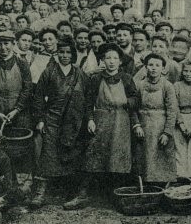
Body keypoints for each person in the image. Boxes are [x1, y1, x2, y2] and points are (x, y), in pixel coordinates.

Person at [64, 43, 140, 210]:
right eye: (108, 58)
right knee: (93, 156)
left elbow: (136, 99)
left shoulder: (127, 78)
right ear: (103, 60)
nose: (111, 61)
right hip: (101, 120)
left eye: (115, 58)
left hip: (121, 122)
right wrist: (90, 119)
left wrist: (127, 102)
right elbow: (88, 102)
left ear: (120, 61)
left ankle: (117, 196)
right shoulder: (96, 78)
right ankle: (83, 195)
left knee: (118, 159)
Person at [29, 37, 89, 209]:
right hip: (52, 119)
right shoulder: (49, 72)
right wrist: (40, 119)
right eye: (61, 52)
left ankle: (72, 193)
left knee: (70, 154)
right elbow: (39, 97)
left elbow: (87, 96)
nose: (64, 55)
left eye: (68, 52)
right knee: (47, 153)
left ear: (73, 54)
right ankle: (40, 193)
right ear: (56, 54)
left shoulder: (79, 74)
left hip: (72, 122)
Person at [0, 31, 33, 172]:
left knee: (20, 148)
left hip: (19, 112)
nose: (3, 47)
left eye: (6, 44)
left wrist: (17, 109)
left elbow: (27, 88)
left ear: (13, 44)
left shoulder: (22, 64)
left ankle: (21, 181)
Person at [134, 53, 179, 184]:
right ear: (145, 67)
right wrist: (136, 125)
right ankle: (145, 189)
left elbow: (172, 111)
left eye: (157, 65)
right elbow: (133, 109)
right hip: (143, 129)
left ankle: (162, 189)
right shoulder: (139, 85)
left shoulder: (167, 86)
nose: (153, 68)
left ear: (163, 69)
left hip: (161, 128)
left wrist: (167, 133)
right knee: (144, 161)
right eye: (150, 65)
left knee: (162, 160)